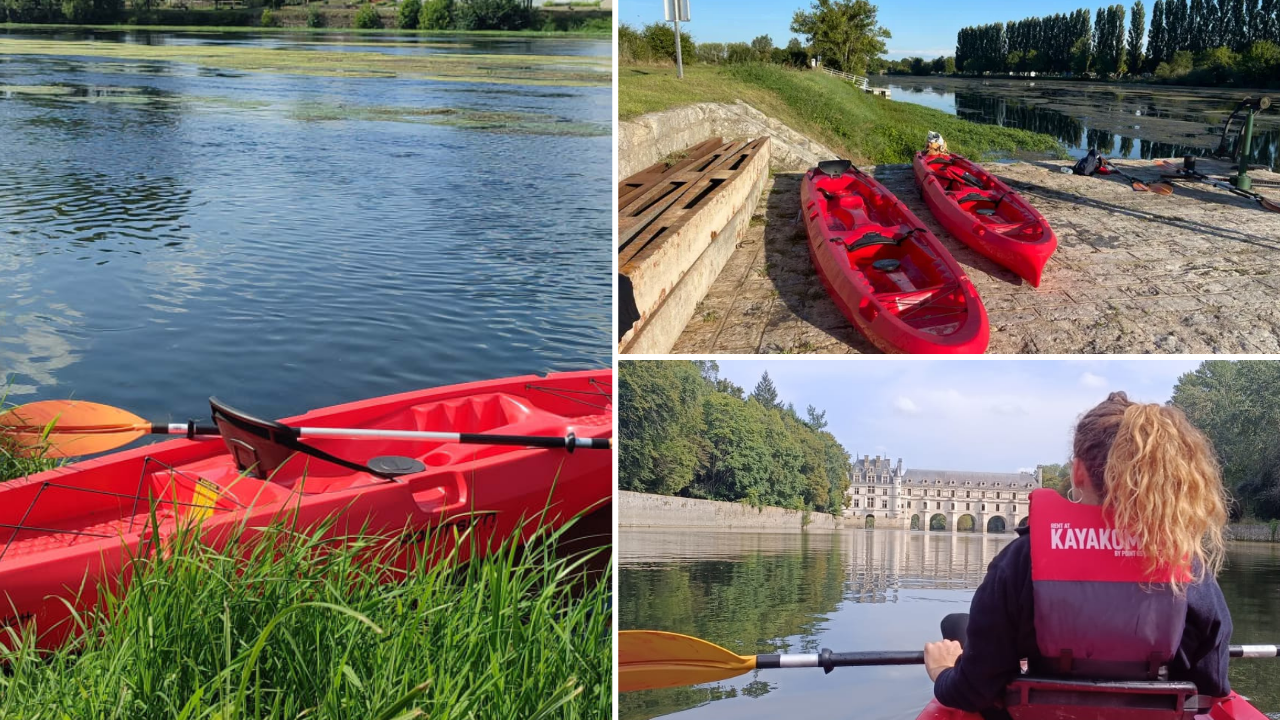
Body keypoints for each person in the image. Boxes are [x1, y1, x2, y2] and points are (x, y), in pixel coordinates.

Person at [923, 392, 1233, 718]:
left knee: (956, 624)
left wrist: (942, 672)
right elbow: (1211, 684)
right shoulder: (1185, 562)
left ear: (1078, 472)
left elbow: (973, 692)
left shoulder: (1019, 560)